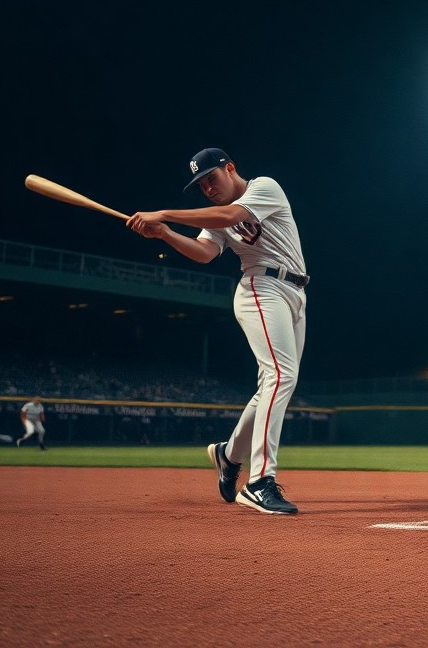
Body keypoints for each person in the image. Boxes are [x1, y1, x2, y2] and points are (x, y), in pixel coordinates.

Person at [127, 148, 308, 515]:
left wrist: (162, 214)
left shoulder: (264, 187)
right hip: (261, 287)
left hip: (295, 293)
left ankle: (228, 455)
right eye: (201, 184)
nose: (207, 188)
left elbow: (230, 215)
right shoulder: (217, 217)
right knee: (280, 375)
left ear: (231, 168)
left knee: (274, 383)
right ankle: (259, 482)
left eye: (211, 178)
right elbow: (205, 252)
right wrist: (164, 234)